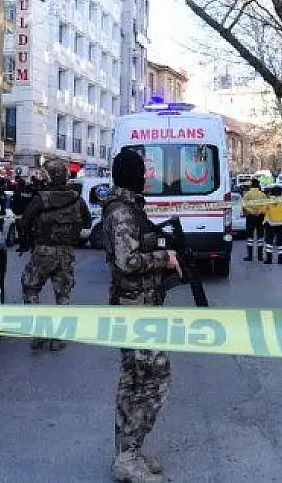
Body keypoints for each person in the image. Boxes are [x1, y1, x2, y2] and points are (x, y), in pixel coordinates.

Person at [102, 149, 180, 483]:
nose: (147, 176)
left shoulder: (131, 207)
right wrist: (164, 258)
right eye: (142, 171)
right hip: (135, 310)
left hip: (140, 305)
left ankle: (128, 452)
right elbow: (128, 262)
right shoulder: (122, 212)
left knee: (134, 379)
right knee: (156, 378)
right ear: (131, 174)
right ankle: (128, 456)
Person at [18, 160, 90, 351]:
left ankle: (39, 331)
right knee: (63, 295)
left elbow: (24, 222)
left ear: (48, 176)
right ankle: (60, 338)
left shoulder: (41, 198)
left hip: (43, 251)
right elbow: (87, 223)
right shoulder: (77, 199)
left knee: (31, 288)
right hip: (66, 252)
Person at [261, 185, 282, 264]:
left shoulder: (269, 200)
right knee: (281, 242)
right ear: (281, 192)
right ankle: (280, 260)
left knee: (269, 242)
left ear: (272, 192)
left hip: (271, 223)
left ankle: (269, 259)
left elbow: (263, 210)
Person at [241, 179, 267, 262]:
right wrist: (259, 211)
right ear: (258, 185)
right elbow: (265, 205)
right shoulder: (263, 195)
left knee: (250, 237)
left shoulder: (247, 195)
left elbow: (244, 205)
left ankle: (250, 256)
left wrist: (251, 211)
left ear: (251, 185)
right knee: (260, 236)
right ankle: (260, 256)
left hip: (250, 217)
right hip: (261, 216)